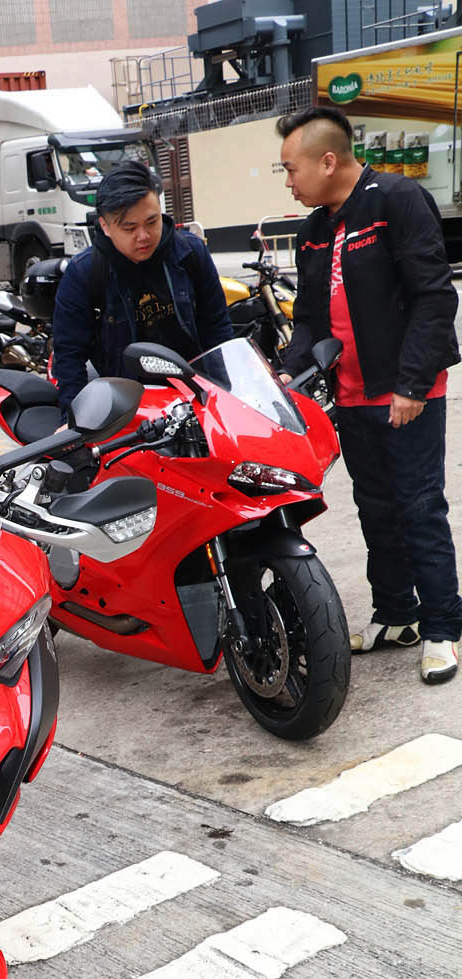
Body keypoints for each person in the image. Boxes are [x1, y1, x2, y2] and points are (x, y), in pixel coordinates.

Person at [277, 105, 462, 684]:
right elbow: (307, 318)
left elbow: (434, 297)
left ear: (328, 161)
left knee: (419, 507)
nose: (289, 180)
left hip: (407, 394)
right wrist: (289, 371)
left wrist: (411, 385)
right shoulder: (312, 233)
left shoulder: (396, 202)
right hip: (352, 398)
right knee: (376, 510)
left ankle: (441, 628)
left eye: (292, 168)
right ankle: (396, 615)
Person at [51, 161, 233, 419]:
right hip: (127, 407)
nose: (144, 236)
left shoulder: (190, 253)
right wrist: (76, 422)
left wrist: (228, 393)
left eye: (151, 221)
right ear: (105, 226)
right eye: (129, 228)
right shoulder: (84, 273)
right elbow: (69, 357)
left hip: (196, 394)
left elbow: (218, 328)